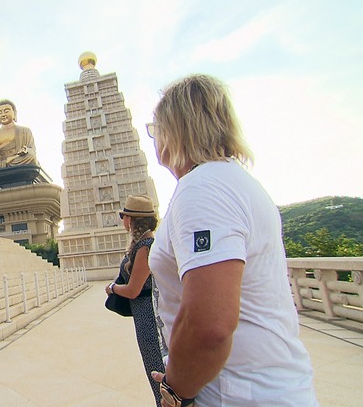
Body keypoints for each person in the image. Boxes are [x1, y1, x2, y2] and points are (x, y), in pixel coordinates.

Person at [146, 74, 317, 406]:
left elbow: (209, 325)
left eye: (156, 128)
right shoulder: (231, 180)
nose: (154, 139)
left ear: (174, 128)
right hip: (264, 386)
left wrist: (176, 391)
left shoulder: (204, 188)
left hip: (236, 393)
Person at [104, 195, 165, 406]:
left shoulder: (145, 247)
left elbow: (133, 290)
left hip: (149, 319)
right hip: (145, 315)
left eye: (124, 216)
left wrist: (112, 288)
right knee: (157, 370)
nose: (123, 221)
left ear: (132, 220)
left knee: (157, 369)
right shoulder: (144, 244)